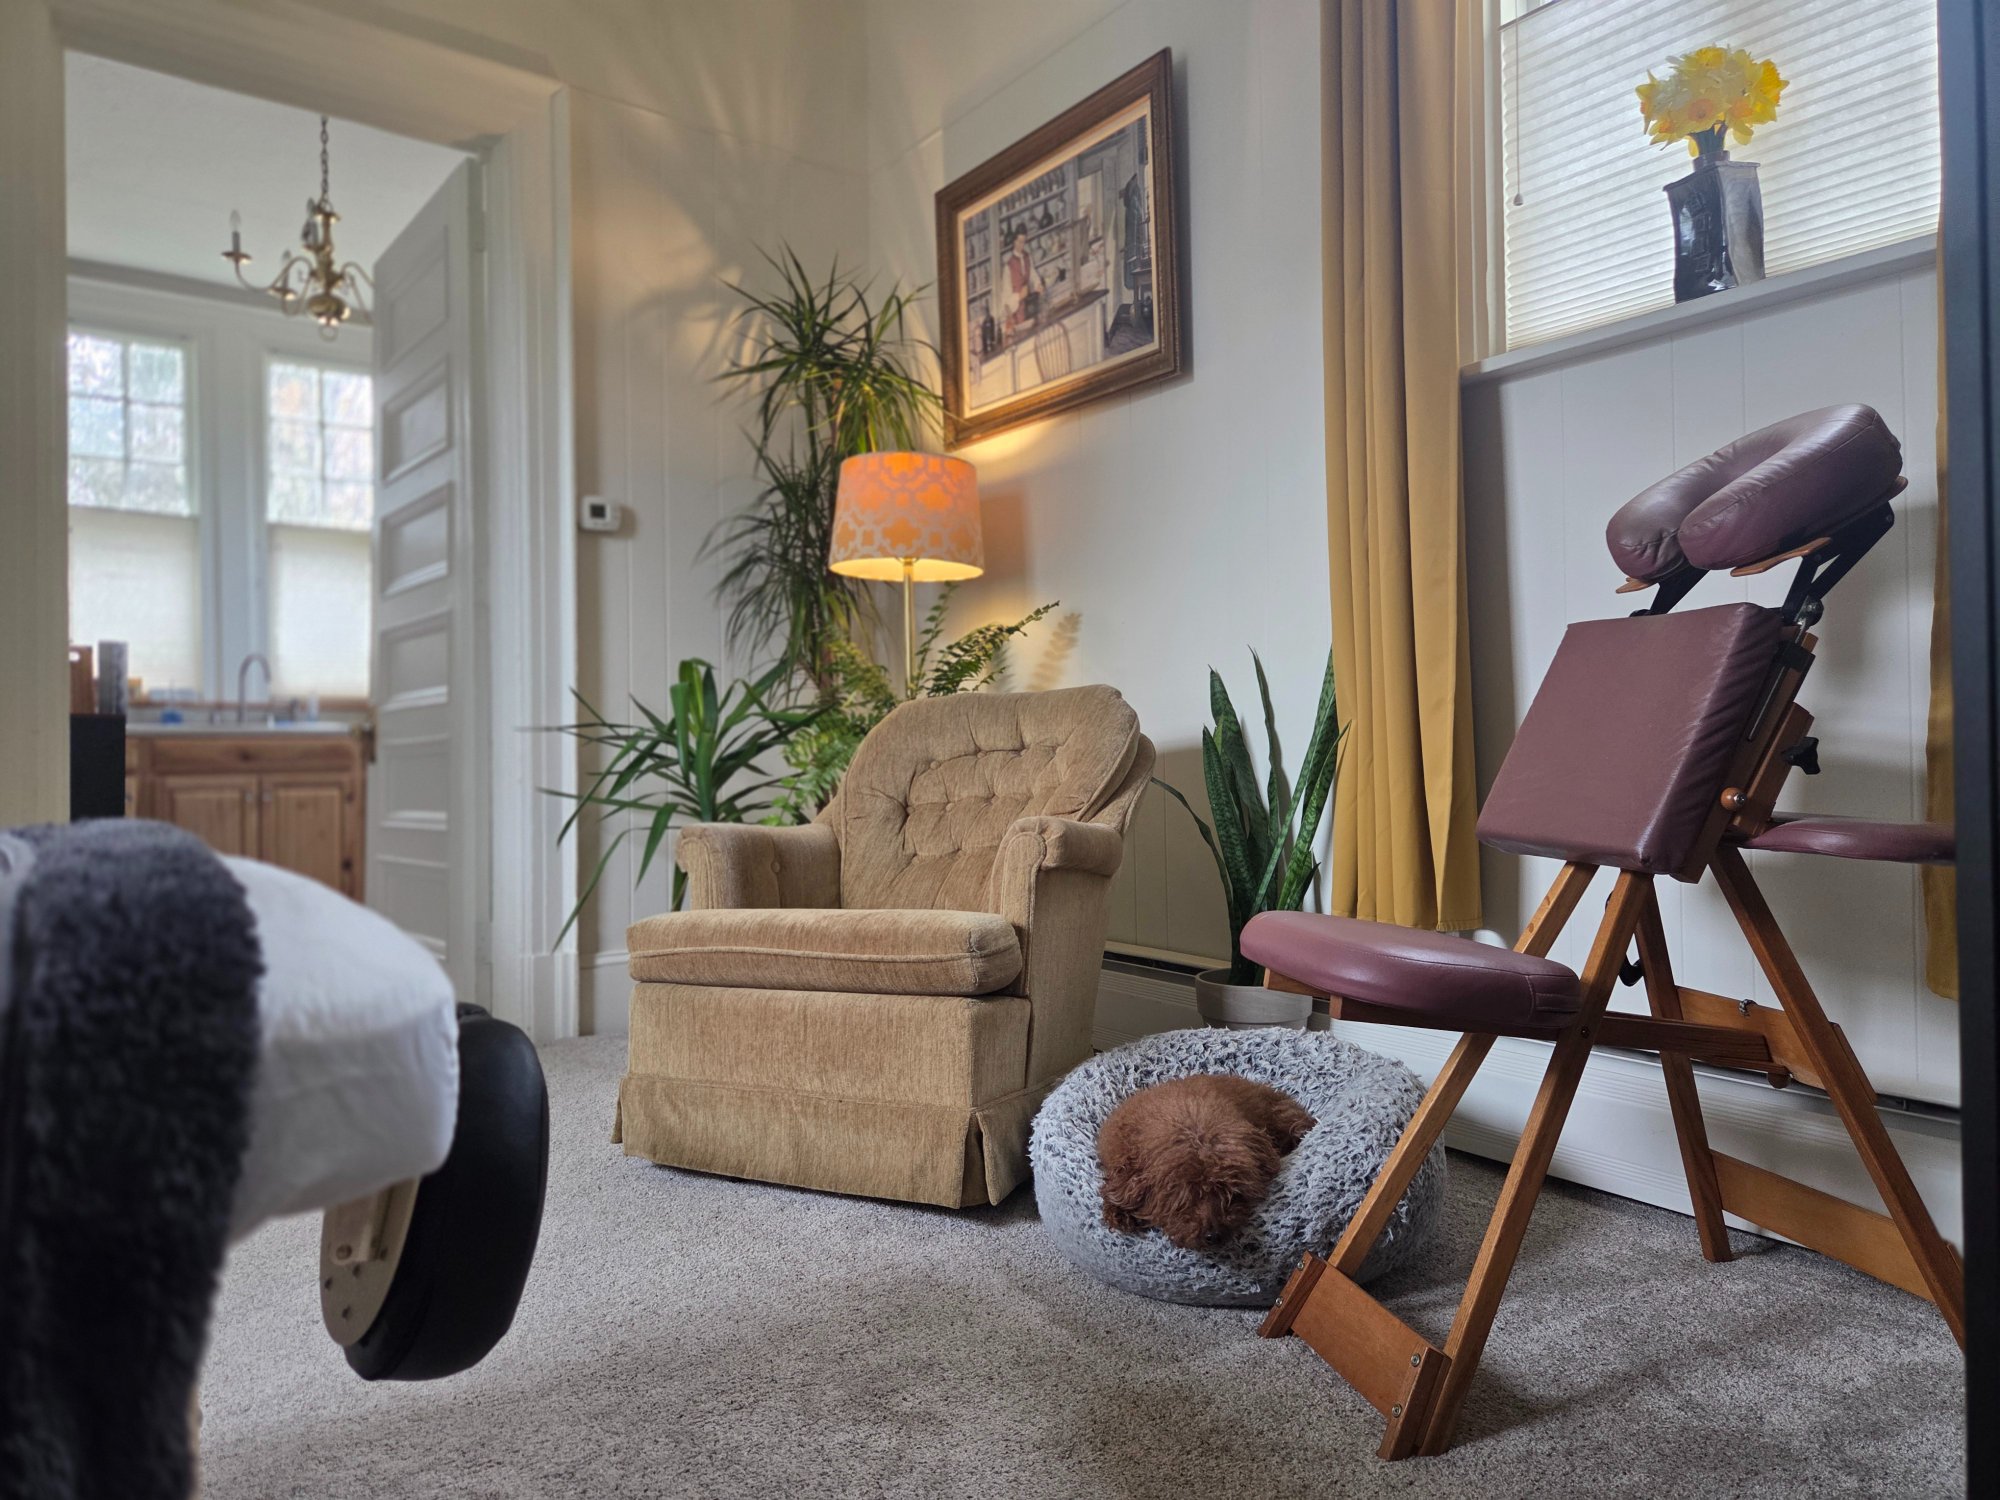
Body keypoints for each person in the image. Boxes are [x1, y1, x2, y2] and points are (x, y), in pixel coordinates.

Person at [1000, 227, 1045, 337]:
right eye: (1019, 242)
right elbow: (1006, 300)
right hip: (1016, 314)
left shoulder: (1027, 257)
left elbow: (1033, 274)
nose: (1022, 245)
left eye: (1024, 242)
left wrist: (1038, 284)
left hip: (1029, 308)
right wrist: (1019, 296)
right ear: (1014, 241)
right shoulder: (1008, 266)